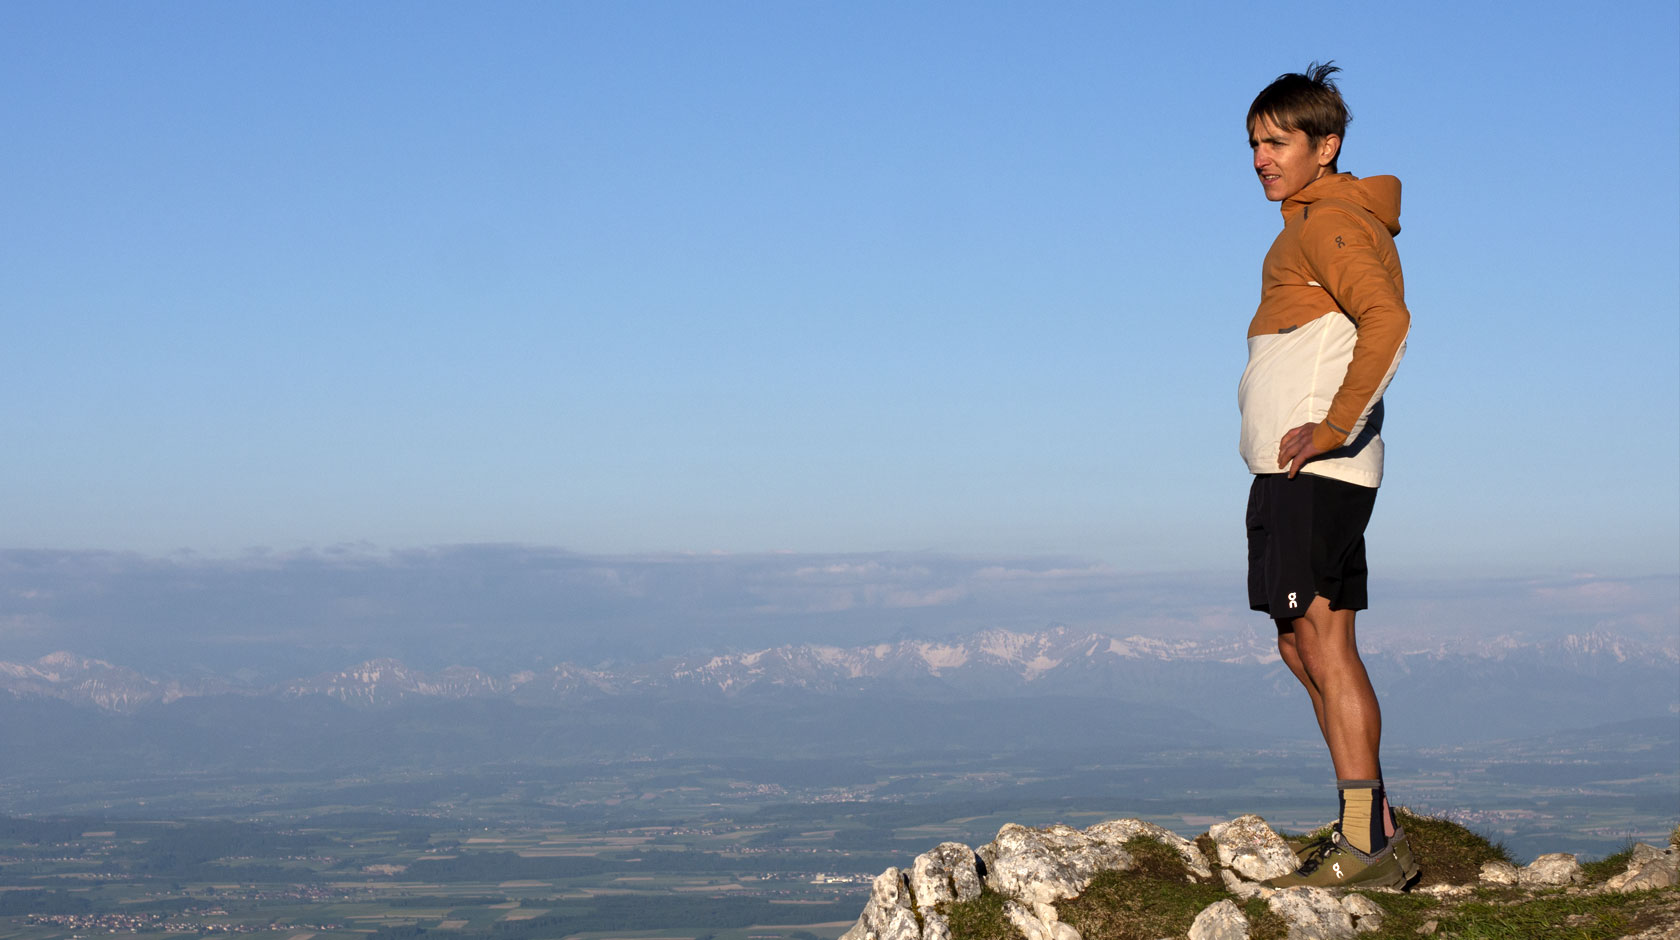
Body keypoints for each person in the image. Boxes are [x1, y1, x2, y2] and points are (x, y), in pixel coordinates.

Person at [1239, 62, 1420, 889]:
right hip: (1303, 474)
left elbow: (1388, 321)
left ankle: (1366, 845)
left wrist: (1334, 427)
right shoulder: (1309, 224)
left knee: (1321, 641)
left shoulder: (1330, 224)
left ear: (1326, 145)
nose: (1261, 159)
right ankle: (1371, 828)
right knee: (1302, 642)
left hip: (1318, 471)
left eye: (1278, 142)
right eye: (1254, 144)